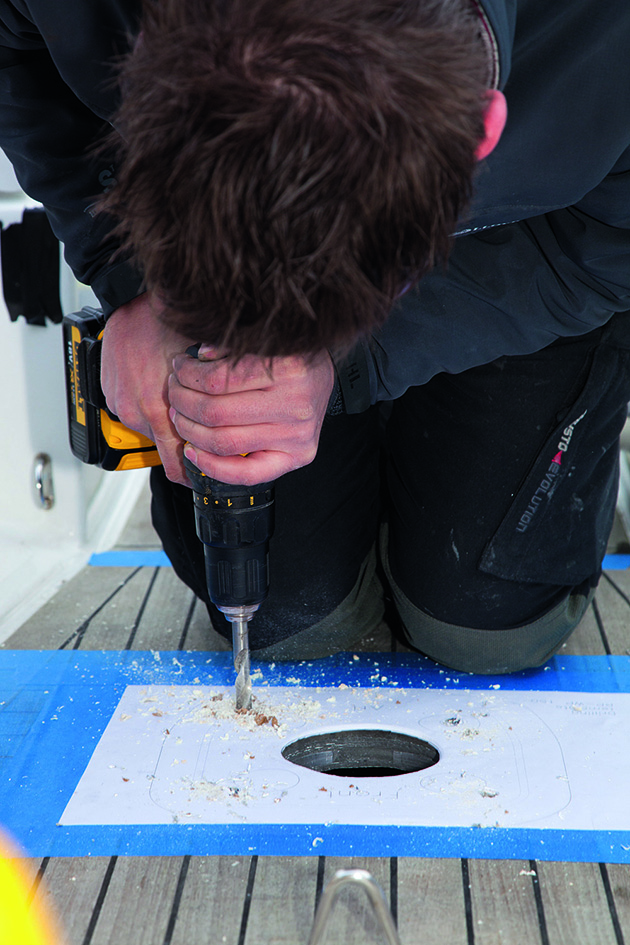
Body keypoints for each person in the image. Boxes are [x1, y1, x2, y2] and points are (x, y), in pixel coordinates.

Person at [1, 0, 629, 673]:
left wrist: (353, 363)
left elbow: (611, 244)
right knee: (285, 620)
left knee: (486, 625)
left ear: (483, 128)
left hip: (527, 247)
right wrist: (133, 282)